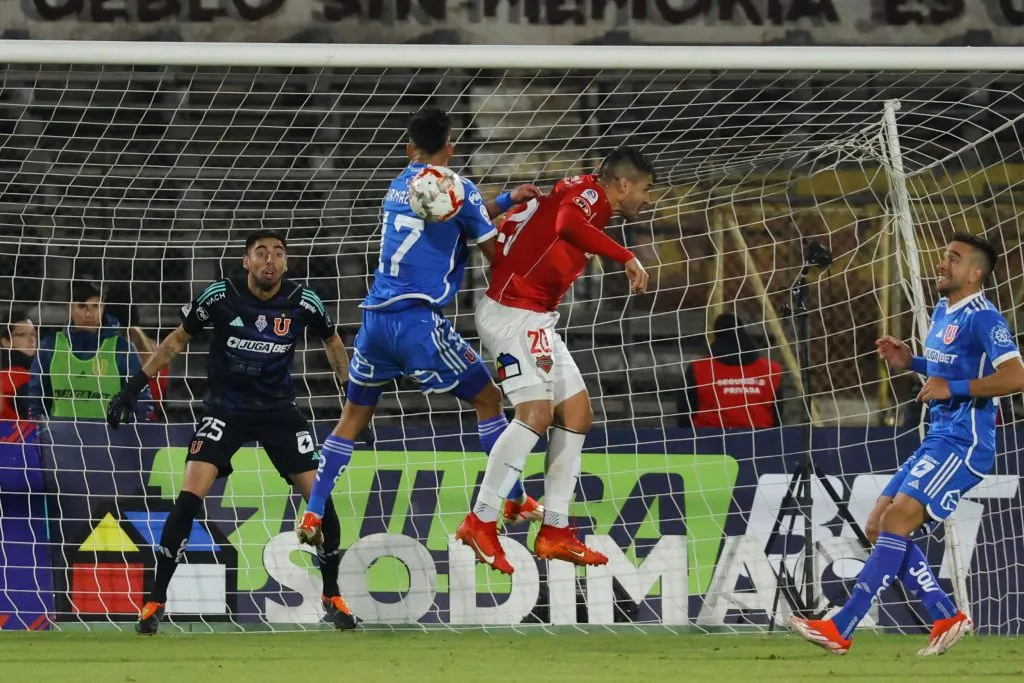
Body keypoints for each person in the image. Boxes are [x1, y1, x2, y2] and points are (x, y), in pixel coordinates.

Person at [295, 107, 544, 545]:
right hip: (419, 322)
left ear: (410, 149)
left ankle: (313, 512)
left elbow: (455, 215)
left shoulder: (398, 185)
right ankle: (514, 497)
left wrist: (505, 200)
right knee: (488, 399)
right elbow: (493, 252)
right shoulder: (461, 189)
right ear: (451, 147)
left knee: (351, 419)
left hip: (373, 322)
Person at [106, 230, 357, 634]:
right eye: (261, 253)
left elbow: (332, 341)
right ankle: (156, 599)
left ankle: (332, 592)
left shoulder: (303, 301)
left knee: (320, 499)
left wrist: (351, 393)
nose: (270, 260)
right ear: (246, 262)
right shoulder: (219, 296)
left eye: (278, 254)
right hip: (225, 410)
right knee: (188, 500)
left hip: (279, 412)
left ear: (286, 264)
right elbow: (176, 341)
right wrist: (134, 386)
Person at [791, 233, 1024, 656]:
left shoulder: (984, 317)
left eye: (952, 258)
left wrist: (950, 386)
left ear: (974, 273)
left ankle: (841, 626)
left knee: (896, 520)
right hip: (939, 436)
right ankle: (944, 615)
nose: (941, 263)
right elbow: (942, 370)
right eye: (943, 255)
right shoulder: (942, 308)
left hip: (965, 443)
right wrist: (909, 361)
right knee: (879, 525)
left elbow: (1016, 376)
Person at [457, 146, 654, 574]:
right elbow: (566, 224)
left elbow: (546, 223)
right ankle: (481, 519)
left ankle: (555, 531)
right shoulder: (590, 198)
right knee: (535, 414)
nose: (647, 198)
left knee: (578, 414)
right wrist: (625, 256)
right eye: (645, 188)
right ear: (623, 184)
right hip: (514, 314)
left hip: (537, 318)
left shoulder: (582, 191)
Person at [26, 281, 151, 421]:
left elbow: (140, 399)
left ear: (103, 307)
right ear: (69, 308)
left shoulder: (122, 349)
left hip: (111, 439)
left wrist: (129, 436)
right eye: (82, 306)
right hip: (62, 438)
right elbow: (36, 399)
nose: (89, 314)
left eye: (96, 306)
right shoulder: (50, 347)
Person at [679, 313, 782, 429]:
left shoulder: (699, 368)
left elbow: (685, 413)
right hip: (760, 439)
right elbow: (777, 416)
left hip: (709, 439)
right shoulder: (771, 370)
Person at [0, 309, 37, 421]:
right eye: (22, 335)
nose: (31, 340)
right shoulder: (18, 376)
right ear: (6, 342)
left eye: (34, 335)